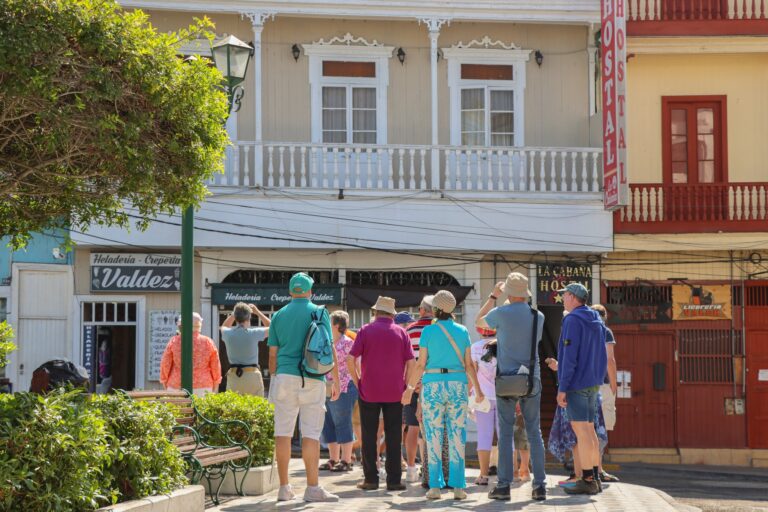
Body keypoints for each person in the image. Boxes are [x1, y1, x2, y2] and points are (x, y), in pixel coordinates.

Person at [403, 290, 484, 500]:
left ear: (436, 309)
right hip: (457, 385)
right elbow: (468, 365)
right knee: (458, 435)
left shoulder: (428, 332)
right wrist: (479, 390)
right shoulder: (462, 330)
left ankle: (435, 487)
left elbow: (420, 364)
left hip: (433, 386)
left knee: (433, 435)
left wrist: (409, 389)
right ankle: (458, 487)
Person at [267, 272, 341, 503]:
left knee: (283, 433)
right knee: (310, 433)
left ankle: (283, 487)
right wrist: (335, 380)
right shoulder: (320, 312)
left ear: (290, 291)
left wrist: (275, 376)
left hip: (284, 377)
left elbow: (272, 354)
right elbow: (330, 349)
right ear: (310, 291)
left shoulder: (279, 315)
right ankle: (312, 488)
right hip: (313, 378)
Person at [475, 272, 547, 501]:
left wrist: (493, 296)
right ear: (525, 293)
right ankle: (539, 486)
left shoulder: (501, 313)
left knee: (505, 433)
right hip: (531, 379)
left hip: (506, 380)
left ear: (508, 292)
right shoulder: (539, 316)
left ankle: (504, 486)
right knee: (534, 432)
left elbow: (479, 320)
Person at [348, 296, 415, 492]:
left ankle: (371, 480)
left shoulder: (365, 330)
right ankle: (394, 481)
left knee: (369, 436)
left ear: (375, 312)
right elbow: (411, 362)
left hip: (368, 390)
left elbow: (350, 359)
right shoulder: (401, 332)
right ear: (392, 314)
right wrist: (406, 385)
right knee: (394, 435)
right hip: (395, 391)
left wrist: (357, 380)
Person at [548, 282, 608, 495]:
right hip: (592, 384)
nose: (562, 297)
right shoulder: (597, 319)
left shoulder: (572, 319)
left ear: (573, 297)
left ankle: (588, 480)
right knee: (589, 432)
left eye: (565, 294)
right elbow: (603, 355)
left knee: (581, 433)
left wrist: (562, 387)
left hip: (576, 384)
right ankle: (594, 478)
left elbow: (569, 357)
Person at [319, 311, 358, 473]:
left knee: (343, 422)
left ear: (336, 325)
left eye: (330, 321)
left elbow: (355, 365)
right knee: (328, 423)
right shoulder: (326, 342)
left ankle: (346, 460)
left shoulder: (348, 343)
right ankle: (333, 458)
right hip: (327, 386)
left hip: (345, 386)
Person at [591, 304, 620, 483]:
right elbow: (610, 359)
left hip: (586, 384)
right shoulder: (605, 331)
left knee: (589, 428)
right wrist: (614, 383)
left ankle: (591, 468)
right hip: (602, 384)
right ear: (605, 316)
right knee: (602, 427)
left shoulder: (584, 330)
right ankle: (598, 469)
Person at [160, 312, 221, 397]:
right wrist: (216, 382)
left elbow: (165, 364)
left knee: (177, 410)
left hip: (176, 384)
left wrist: (164, 381)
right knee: (201, 410)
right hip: (203, 385)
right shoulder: (207, 342)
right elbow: (215, 365)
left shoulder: (174, 341)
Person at [220, 302, 270, 396]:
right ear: (249, 318)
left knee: (233, 409)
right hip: (252, 375)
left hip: (234, 376)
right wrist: (258, 312)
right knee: (256, 408)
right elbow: (273, 327)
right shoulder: (254, 333)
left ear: (236, 317)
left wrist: (233, 314)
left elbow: (224, 326)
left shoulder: (228, 334)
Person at [470, 327, 498, 486]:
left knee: (484, 437)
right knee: (505, 437)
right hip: (503, 396)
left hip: (483, 398)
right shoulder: (504, 344)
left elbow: (472, 372)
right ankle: (510, 473)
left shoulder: (475, 347)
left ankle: (483, 475)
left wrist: (470, 393)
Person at [514, 403, 531, 482]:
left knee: (510, 438)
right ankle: (524, 471)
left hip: (511, 398)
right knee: (523, 436)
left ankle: (515, 471)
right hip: (526, 399)